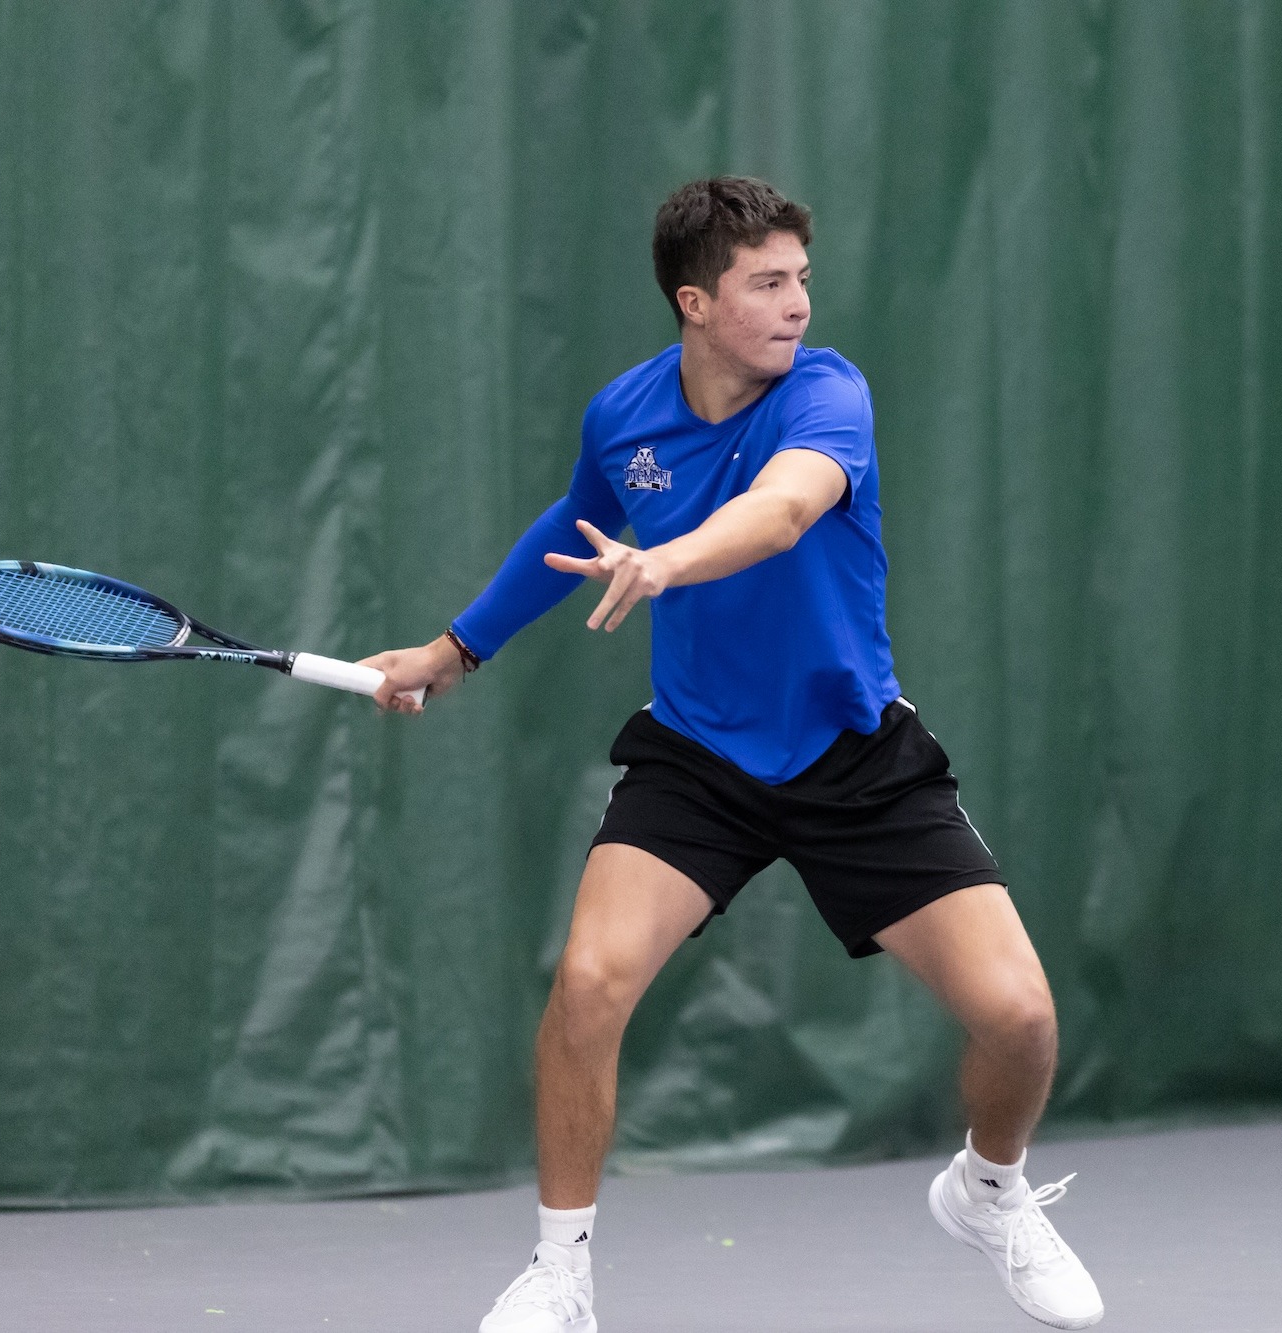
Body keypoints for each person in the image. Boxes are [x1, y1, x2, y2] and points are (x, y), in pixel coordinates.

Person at [361, 176, 1103, 1332]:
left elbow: (784, 510)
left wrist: (669, 561)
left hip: (853, 753)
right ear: (695, 301)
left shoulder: (827, 392)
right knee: (590, 981)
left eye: (801, 276)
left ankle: (988, 1190)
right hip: (698, 757)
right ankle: (561, 1270)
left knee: (1019, 1018)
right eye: (768, 283)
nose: (798, 301)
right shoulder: (624, 415)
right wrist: (456, 648)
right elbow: (573, 522)